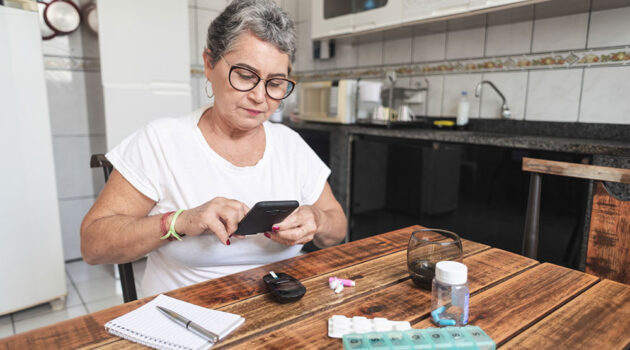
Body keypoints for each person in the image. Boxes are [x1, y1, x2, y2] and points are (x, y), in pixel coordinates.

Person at [81, 0, 347, 296]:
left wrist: (317, 220)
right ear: (209, 64)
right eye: (245, 75)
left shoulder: (289, 145)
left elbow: (337, 228)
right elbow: (94, 245)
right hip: (187, 315)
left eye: (275, 83)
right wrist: (181, 221)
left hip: (279, 310)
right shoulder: (161, 141)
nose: (260, 97)